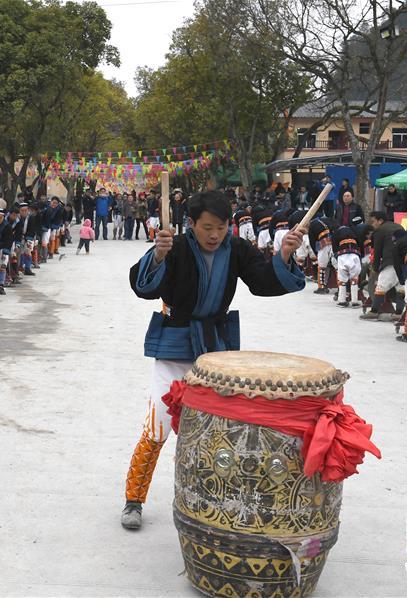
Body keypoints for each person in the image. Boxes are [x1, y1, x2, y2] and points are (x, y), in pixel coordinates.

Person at [120, 190, 306, 530]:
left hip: (216, 351)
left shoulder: (236, 248)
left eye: (221, 227)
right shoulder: (174, 246)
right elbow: (144, 287)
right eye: (207, 227)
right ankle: (134, 499)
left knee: (217, 435)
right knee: (158, 426)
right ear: (191, 224)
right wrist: (158, 257)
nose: (214, 235)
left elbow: (263, 281)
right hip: (175, 346)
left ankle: (211, 503)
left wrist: (285, 254)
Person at [360, 211, 404, 320]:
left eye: (374, 221)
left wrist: (375, 268)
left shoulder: (380, 230)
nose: (372, 224)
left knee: (381, 286)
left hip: (390, 262)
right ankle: (398, 313)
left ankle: (374, 311)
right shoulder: (399, 226)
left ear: (380, 220)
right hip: (403, 262)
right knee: (401, 288)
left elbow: (377, 251)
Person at [332, 225, 362, 308]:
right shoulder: (354, 233)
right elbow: (360, 244)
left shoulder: (336, 234)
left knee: (342, 280)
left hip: (342, 256)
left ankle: (342, 301)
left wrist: (336, 256)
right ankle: (354, 301)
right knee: (354, 279)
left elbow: (334, 247)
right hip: (354, 255)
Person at [307, 218, 334, 294]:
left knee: (322, 266)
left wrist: (316, 253)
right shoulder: (325, 220)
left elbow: (312, 242)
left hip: (323, 244)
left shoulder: (311, 226)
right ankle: (340, 288)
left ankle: (321, 287)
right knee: (336, 266)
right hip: (333, 240)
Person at [12, 202, 35, 276]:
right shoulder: (17, 218)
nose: (24, 212)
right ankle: (19, 267)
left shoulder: (31, 218)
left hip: (28, 237)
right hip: (18, 237)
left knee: (28, 251)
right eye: (22, 210)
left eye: (25, 210)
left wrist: (28, 239)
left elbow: (32, 230)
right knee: (19, 253)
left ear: (28, 210)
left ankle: (27, 268)